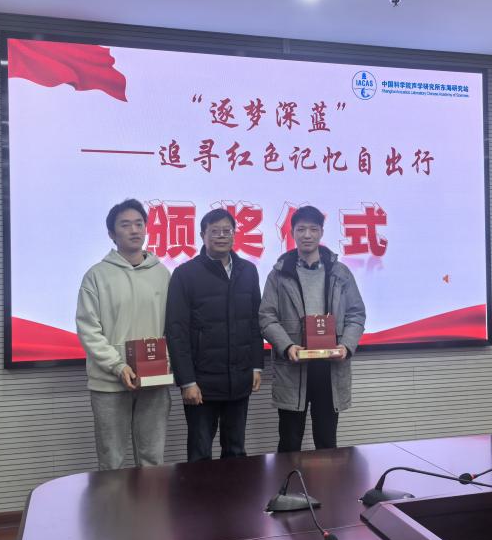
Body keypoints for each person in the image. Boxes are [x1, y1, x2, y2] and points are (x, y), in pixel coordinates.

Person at [259, 205, 366, 452]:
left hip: (330, 368)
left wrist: (346, 345)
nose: (307, 235)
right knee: (289, 442)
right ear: (292, 233)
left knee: (327, 442)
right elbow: (266, 316)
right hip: (293, 367)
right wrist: (287, 346)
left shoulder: (340, 272)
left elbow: (356, 313)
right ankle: (288, 479)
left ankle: (327, 480)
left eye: (313, 229)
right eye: (301, 229)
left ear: (321, 233)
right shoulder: (279, 274)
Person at [76, 198, 171, 470]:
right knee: (111, 461)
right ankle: (113, 502)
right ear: (111, 233)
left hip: (153, 381)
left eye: (139, 224)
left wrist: (167, 362)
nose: (134, 230)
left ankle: (151, 501)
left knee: (152, 459)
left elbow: (173, 326)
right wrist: (118, 366)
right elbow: (88, 328)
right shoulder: (96, 276)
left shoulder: (162, 274)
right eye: (125, 225)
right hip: (109, 383)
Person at [165, 208, 264, 462]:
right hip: (201, 384)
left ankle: (236, 491)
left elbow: (255, 322)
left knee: (236, 452)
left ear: (234, 234)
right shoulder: (185, 274)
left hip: (239, 379)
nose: (221, 236)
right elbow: (176, 331)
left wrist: (256, 365)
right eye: (215, 231)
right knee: (200, 455)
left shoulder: (248, 271)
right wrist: (187, 381)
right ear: (202, 235)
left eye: (227, 231)